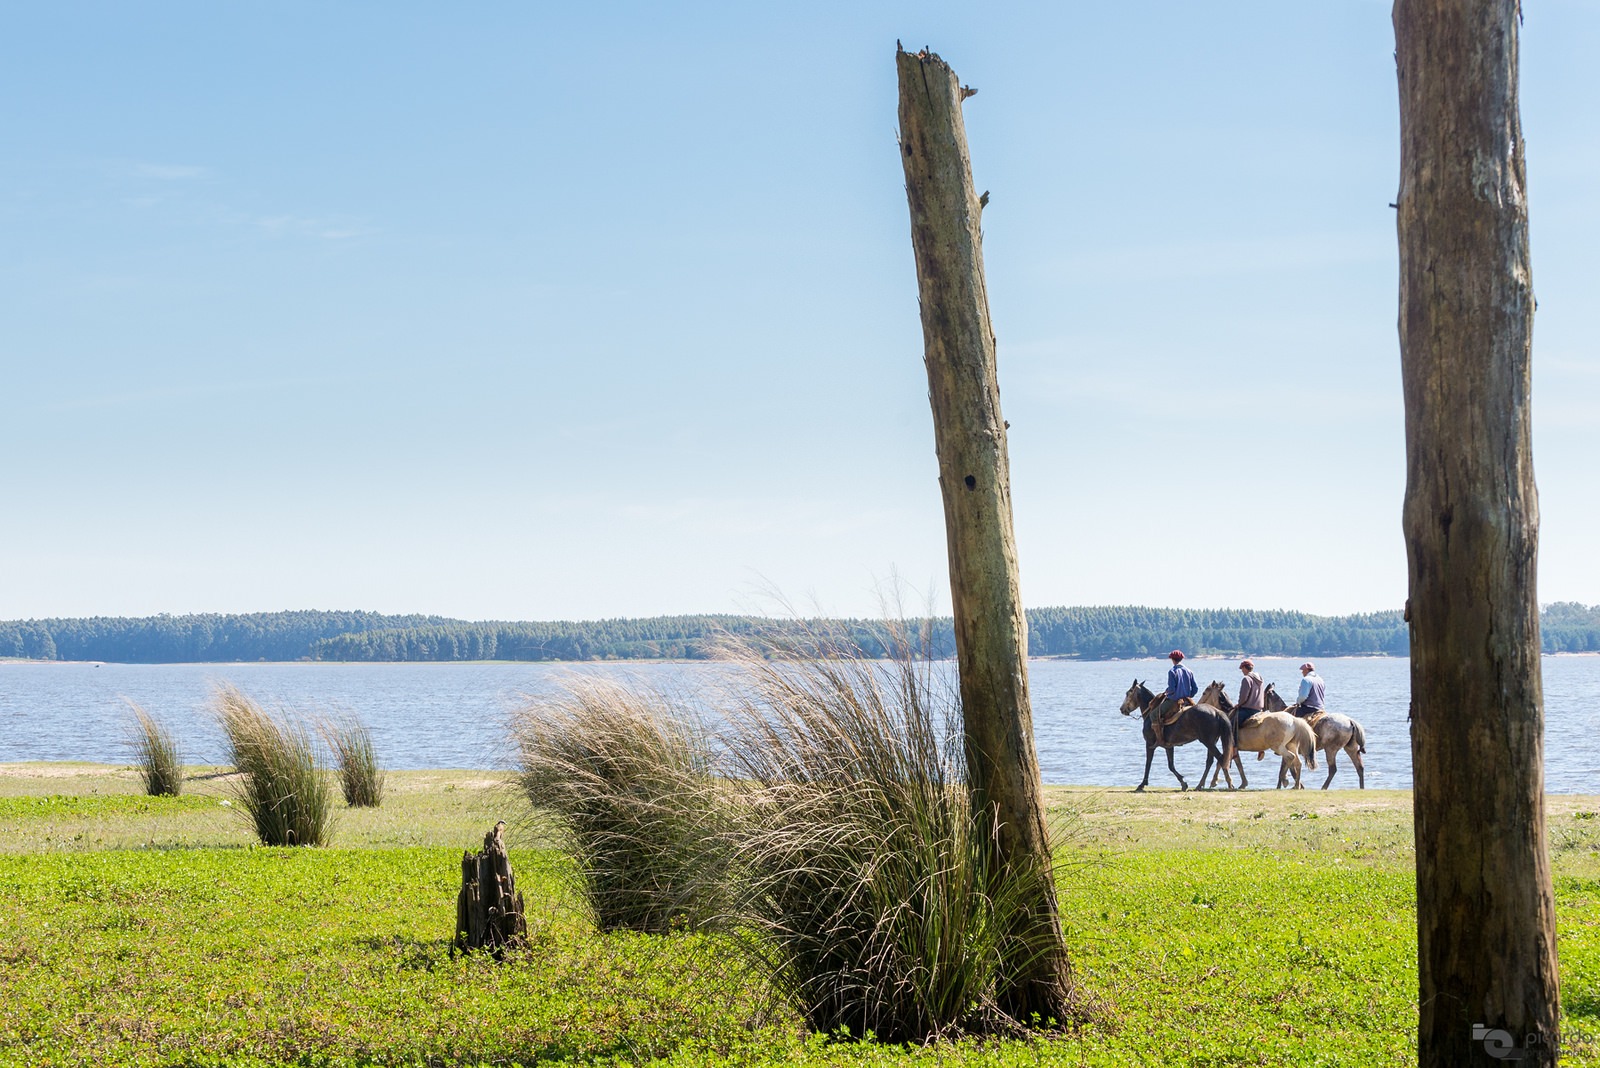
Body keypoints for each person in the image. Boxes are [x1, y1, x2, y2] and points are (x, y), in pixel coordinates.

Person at [1153, 649, 1197, 745]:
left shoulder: (1172, 671)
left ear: (1172, 660)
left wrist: (1167, 693)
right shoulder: (1189, 671)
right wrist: (1189, 696)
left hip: (1174, 701)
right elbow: (1195, 689)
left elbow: (1172, 689)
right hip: (1187, 701)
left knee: (1153, 715)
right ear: (1181, 659)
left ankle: (1160, 740)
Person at [1235, 659, 1265, 732]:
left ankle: (1234, 739)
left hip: (1248, 710)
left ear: (1245, 668)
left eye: (1242, 668)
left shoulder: (1247, 679)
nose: (1242, 671)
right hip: (1259, 709)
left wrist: (1239, 704)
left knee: (1231, 724)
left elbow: (1243, 697)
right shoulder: (1260, 679)